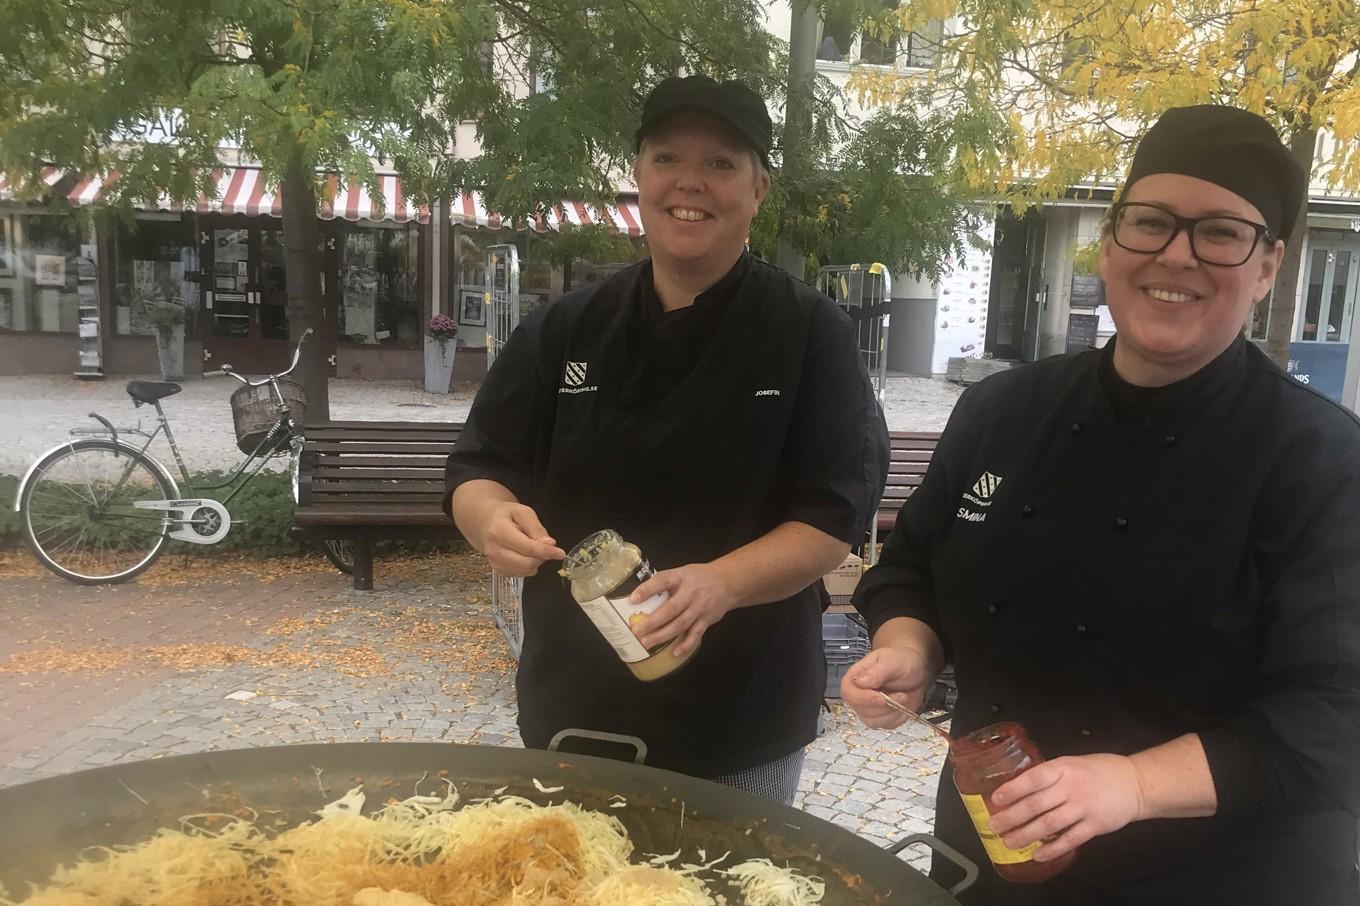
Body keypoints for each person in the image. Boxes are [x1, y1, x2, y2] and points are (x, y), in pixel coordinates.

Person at [842, 104, 1360, 904]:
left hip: (1216, 877)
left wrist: (1134, 785)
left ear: (1267, 266)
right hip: (992, 851)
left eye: (1220, 232)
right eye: (1150, 222)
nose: (1176, 255)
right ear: (1112, 240)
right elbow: (907, 568)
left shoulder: (1322, 458)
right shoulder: (1000, 411)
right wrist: (910, 649)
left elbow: (1337, 716)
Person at [445, 74, 889, 803]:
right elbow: (478, 465)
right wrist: (489, 518)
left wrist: (721, 584)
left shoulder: (809, 333)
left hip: (738, 705)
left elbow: (832, 519)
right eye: (667, 159)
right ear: (639, 177)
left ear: (758, 189)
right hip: (574, 700)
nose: (691, 182)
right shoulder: (566, 328)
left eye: (721, 163)